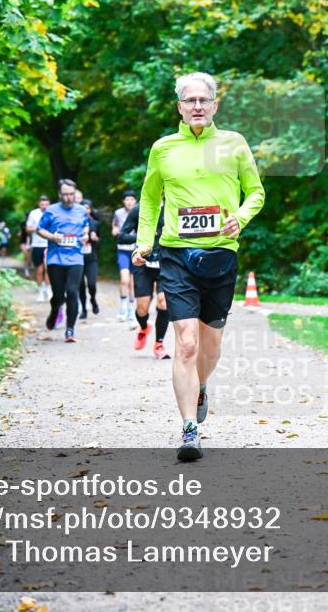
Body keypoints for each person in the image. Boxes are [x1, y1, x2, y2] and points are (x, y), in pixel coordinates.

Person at [135, 71, 265, 462]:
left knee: (211, 345)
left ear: (214, 105)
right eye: (188, 101)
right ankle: (189, 428)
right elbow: (149, 198)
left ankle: (201, 385)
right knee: (186, 343)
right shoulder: (163, 148)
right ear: (179, 106)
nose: (196, 107)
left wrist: (238, 218)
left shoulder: (233, 144)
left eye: (202, 101)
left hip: (220, 255)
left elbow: (256, 192)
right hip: (176, 255)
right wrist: (145, 242)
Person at [36, 180, 89, 343]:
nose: (68, 197)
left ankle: (70, 329)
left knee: (72, 292)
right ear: (60, 194)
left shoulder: (81, 210)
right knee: (59, 296)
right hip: (56, 259)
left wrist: (85, 236)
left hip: (76, 257)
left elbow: (86, 226)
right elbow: (39, 229)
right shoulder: (51, 211)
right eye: (65, 194)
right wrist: (52, 237)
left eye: (71, 194)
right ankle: (54, 310)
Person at [119, 200, 170, 360]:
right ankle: (143, 327)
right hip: (143, 265)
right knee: (142, 309)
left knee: (163, 302)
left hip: (165, 263)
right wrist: (139, 239)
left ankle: (159, 344)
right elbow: (122, 235)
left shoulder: (172, 206)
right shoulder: (139, 209)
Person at [112, 190, 138, 321]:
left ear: (135, 201)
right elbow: (114, 227)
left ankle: (131, 310)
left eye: (132, 199)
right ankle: (122, 308)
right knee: (124, 279)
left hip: (135, 250)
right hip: (122, 249)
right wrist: (115, 231)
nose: (129, 202)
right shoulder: (118, 213)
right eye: (127, 199)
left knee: (133, 282)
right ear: (123, 201)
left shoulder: (140, 211)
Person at [26, 195, 51, 302]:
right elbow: (28, 228)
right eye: (42, 204)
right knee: (40, 270)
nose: (44, 207)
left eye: (46, 204)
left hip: (49, 244)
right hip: (37, 245)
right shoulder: (34, 213)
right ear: (38, 204)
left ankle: (49, 290)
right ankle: (41, 291)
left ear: (49, 204)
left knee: (48, 269)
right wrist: (37, 228)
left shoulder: (52, 213)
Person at [78, 199, 101, 319]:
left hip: (91, 259)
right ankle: (84, 309)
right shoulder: (75, 223)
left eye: (87, 208)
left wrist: (96, 238)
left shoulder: (95, 224)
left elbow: (100, 241)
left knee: (92, 284)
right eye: (83, 208)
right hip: (78, 260)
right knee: (80, 286)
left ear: (90, 209)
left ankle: (93, 300)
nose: (85, 210)